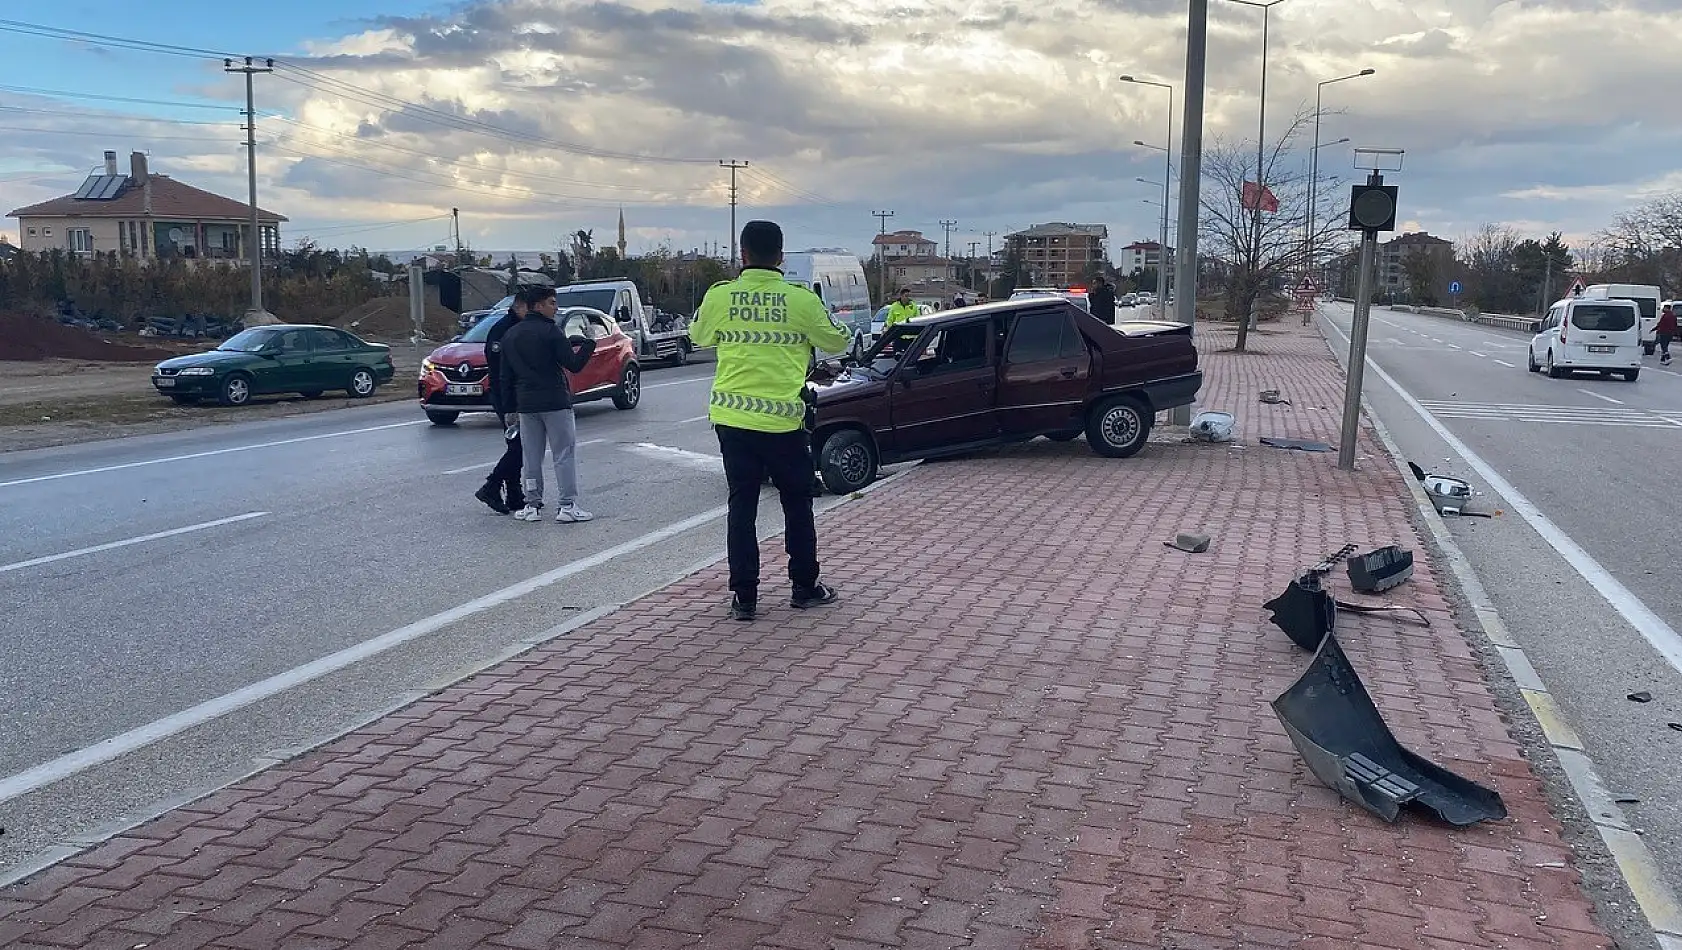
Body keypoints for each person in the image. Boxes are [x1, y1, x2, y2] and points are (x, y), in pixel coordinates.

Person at [692, 220, 851, 621]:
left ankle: (744, 597)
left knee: (741, 506)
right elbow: (836, 340)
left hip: (732, 421)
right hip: (783, 424)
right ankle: (804, 587)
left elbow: (698, 335)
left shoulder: (720, 296)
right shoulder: (800, 300)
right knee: (797, 504)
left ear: (742, 255)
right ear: (781, 256)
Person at [498, 287, 597, 523]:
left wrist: (508, 408)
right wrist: (589, 342)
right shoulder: (551, 332)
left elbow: (505, 377)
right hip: (554, 402)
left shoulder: (511, 335)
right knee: (563, 453)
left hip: (526, 405)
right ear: (538, 306)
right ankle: (567, 505)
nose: (556, 307)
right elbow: (573, 364)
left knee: (531, 456)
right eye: (552, 303)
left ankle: (532, 505)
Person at [474, 294, 528, 514]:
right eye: (529, 307)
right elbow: (499, 371)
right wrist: (508, 406)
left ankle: (514, 494)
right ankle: (491, 486)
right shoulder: (502, 329)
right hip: (506, 397)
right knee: (519, 445)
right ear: (518, 306)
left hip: (517, 395)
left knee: (518, 446)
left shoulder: (519, 326)